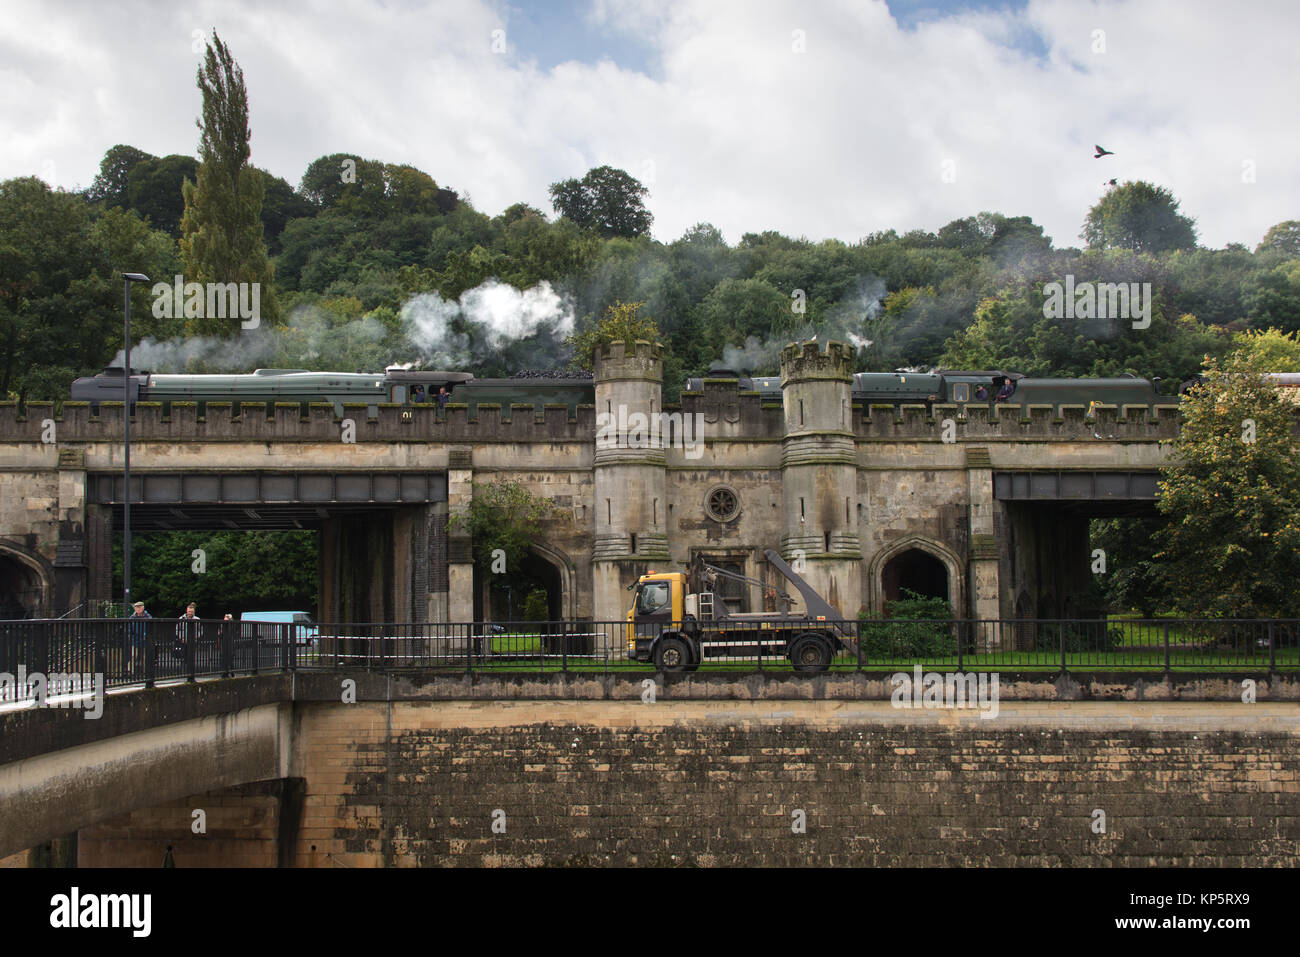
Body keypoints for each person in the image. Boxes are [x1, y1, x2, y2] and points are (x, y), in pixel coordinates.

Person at [126, 601, 151, 677]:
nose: (137, 609)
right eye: (136, 607)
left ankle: (146, 672)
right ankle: (130, 671)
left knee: (144, 656)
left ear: (143, 608)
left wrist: (147, 635)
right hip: (135, 639)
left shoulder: (148, 617)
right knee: (133, 655)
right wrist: (130, 635)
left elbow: (150, 627)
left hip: (145, 639)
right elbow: (129, 628)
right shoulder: (132, 617)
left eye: (139, 607)